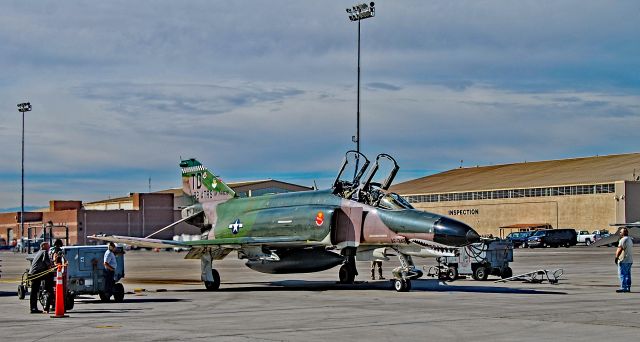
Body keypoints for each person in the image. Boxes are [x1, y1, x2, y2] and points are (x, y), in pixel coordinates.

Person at [28, 241, 53, 313]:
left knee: (34, 292)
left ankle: (33, 308)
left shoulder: (38, 252)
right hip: (37, 273)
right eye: (48, 246)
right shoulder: (44, 252)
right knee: (49, 278)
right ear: (43, 246)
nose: (49, 247)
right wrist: (51, 267)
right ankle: (48, 292)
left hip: (33, 273)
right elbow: (46, 261)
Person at [615, 228, 633, 293]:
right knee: (628, 274)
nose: (619, 233)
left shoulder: (622, 240)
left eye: (620, 232)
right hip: (629, 260)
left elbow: (619, 249)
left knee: (622, 274)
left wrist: (616, 257)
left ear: (623, 233)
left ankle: (623, 287)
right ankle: (628, 287)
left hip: (623, 260)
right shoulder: (630, 239)